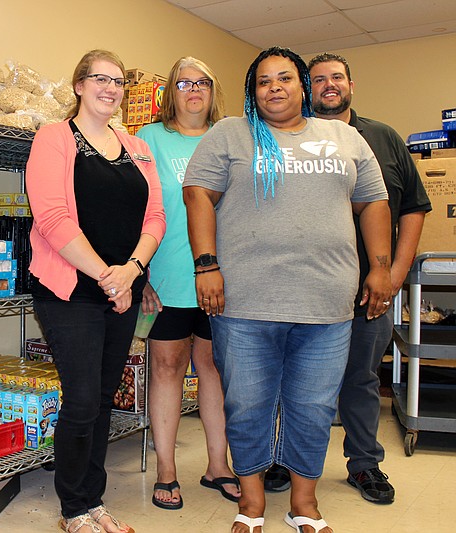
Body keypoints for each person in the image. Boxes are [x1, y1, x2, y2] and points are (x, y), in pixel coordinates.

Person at [183, 46, 392, 533]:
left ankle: (305, 503)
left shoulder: (343, 137)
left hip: (327, 304)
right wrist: (206, 264)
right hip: (246, 303)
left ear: (303, 86)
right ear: (252, 92)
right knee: (248, 403)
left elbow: (375, 203)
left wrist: (379, 268)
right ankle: (252, 504)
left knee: (314, 406)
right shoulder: (230, 134)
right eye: (262, 81)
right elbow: (198, 195)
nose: (273, 87)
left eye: (284, 78)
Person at [26, 49, 166, 533]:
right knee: (83, 399)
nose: (111, 88)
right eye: (100, 78)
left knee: (105, 398)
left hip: (123, 288)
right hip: (71, 289)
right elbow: (52, 217)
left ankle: (94, 501)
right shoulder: (54, 138)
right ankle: (72, 509)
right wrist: (110, 275)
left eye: (119, 81)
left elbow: (156, 217)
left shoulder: (136, 146)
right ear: (79, 85)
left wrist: (131, 270)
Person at [305, 52, 429, 504]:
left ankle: (363, 464)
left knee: (359, 378)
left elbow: (413, 207)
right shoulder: (288, 139)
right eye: (318, 80)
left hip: (370, 290)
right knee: (294, 380)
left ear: (351, 85)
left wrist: (393, 275)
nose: (329, 85)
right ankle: (285, 459)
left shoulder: (384, 138)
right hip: (307, 286)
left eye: (336, 77)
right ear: (307, 89)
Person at [136, 57, 240, 509]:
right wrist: (138, 273)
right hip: (168, 276)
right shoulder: (150, 139)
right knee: (167, 369)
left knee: (216, 369)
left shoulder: (233, 138)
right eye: (183, 82)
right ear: (169, 93)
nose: (193, 90)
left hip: (223, 277)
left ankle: (219, 465)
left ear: (213, 90)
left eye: (202, 82)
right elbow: (133, 207)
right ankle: (166, 470)